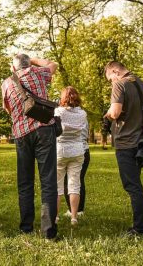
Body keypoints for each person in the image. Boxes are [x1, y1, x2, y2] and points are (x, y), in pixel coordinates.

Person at [1, 53, 58, 239]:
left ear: (13, 68)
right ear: (28, 63)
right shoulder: (38, 73)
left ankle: (26, 227)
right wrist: (33, 61)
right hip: (43, 130)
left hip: (21, 134)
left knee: (25, 182)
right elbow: (53, 64)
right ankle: (48, 230)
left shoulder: (7, 83)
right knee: (48, 180)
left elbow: (8, 109)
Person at [104, 61, 143, 236]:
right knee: (136, 184)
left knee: (132, 186)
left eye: (111, 78)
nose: (111, 82)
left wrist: (108, 114)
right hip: (142, 142)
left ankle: (140, 228)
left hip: (126, 142)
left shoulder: (120, 84)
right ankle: (141, 225)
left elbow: (115, 112)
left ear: (115, 71)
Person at [55, 86, 87, 225]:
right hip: (77, 150)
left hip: (61, 150)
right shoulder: (83, 114)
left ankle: (55, 216)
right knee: (75, 184)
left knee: (57, 186)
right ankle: (74, 217)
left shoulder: (58, 111)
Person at [64, 118, 90, 219]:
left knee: (67, 181)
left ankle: (73, 210)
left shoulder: (62, 113)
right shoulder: (83, 114)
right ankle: (79, 210)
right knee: (79, 180)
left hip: (70, 150)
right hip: (84, 150)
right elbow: (85, 134)